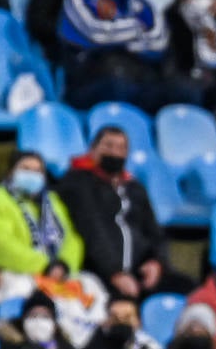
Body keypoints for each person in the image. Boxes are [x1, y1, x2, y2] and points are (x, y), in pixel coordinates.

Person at [58, 127, 177, 298]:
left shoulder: (134, 188)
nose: (115, 153)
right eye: (108, 146)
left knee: (183, 287)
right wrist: (114, 273)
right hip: (100, 272)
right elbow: (92, 230)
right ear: (93, 149)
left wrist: (157, 261)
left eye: (121, 148)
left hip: (138, 272)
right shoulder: (77, 182)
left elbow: (154, 231)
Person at [58, 0, 169, 113]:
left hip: (131, 70)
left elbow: (159, 39)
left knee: (171, 88)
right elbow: (97, 34)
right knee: (118, 77)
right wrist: (136, 28)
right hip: (86, 78)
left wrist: (124, 39)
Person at [0, 150, 83, 283]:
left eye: (38, 171)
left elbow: (71, 238)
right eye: (25, 169)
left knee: (92, 287)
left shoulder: (52, 200)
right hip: (16, 272)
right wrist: (45, 266)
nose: (32, 174)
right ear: (10, 173)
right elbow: (0, 244)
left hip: (59, 272)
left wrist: (64, 265)